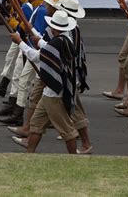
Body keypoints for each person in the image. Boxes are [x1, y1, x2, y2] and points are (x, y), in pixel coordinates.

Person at [10, 10, 78, 154]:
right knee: (36, 124)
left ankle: (75, 158)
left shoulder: (56, 43)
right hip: (50, 92)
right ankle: (29, 153)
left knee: (67, 130)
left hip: (54, 93)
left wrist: (20, 42)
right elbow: (47, 47)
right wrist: (38, 41)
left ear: (55, 28)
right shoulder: (65, 39)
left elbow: (36, 56)